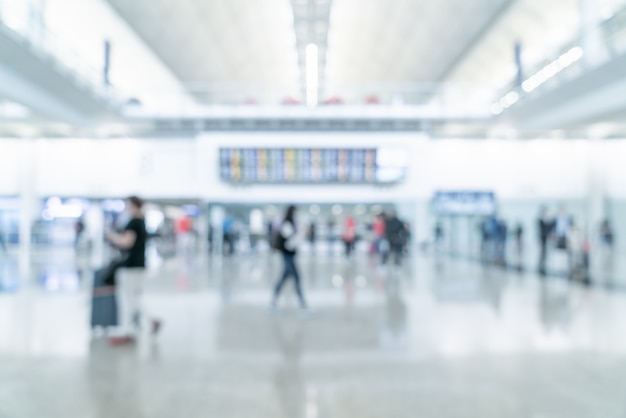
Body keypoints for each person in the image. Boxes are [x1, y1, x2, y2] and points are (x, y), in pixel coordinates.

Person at [105, 196, 162, 345]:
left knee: (126, 299)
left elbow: (126, 242)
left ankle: (127, 330)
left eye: (127, 205)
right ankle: (150, 320)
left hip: (130, 266)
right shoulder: (142, 221)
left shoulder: (133, 222)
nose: (126, 207)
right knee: (133, 298)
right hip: (139, 264)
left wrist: (113, 237)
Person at [272, 205, 308, 309]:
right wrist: (301, 235)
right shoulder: (287, 224)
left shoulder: (291, 223)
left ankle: (273, 301)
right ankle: (303, 304)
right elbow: (289, 242)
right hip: (287, 255)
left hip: (290, 255)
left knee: (285, 278)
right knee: (296, 277)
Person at [537, 207, 555, 275]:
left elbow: (548, 228)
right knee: (542, 253)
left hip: (544, 239)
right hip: (542, 239)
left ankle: (543, 266)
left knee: (544, 253)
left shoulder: (543, 220)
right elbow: (545, 229)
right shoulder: (540, 220)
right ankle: (541, 267)